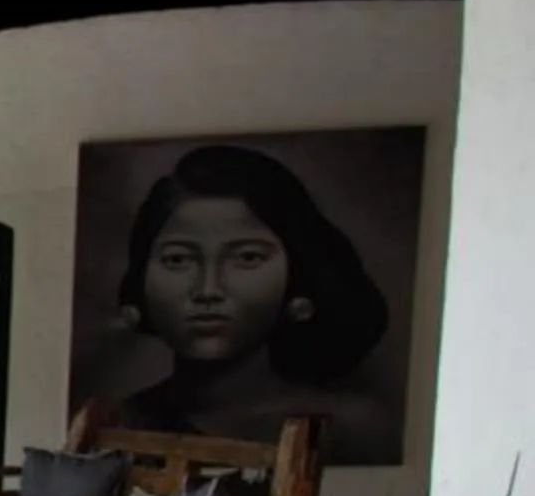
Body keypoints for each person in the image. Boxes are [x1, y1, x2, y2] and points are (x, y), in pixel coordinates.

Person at [101, 143, 397, 463]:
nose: (208, 290)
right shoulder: (119, 426)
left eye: (247, 257)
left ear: (298, 275)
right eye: (178, 259)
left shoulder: (349, 428)